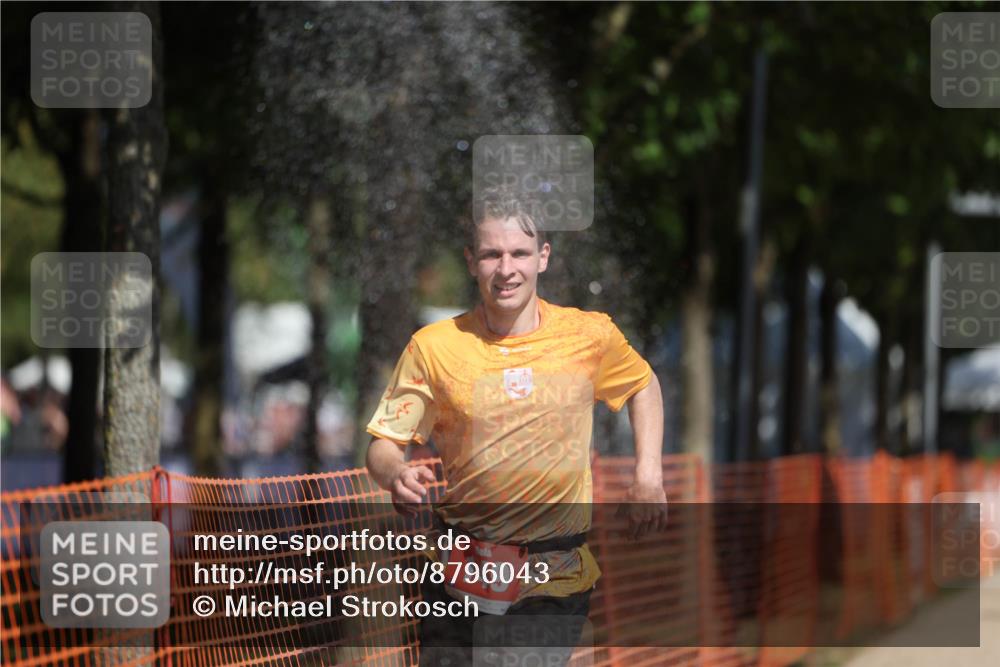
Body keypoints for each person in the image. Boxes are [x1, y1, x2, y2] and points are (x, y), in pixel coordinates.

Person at [365, 186, 667, 666]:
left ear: (543, 256)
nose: (506, 269)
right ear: (471, 261)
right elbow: (384, 443)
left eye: (519, 254)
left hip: (553, 572)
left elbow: (643, 385)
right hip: (459, 570)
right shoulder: (434, 347)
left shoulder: (588, 335)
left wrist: (648, 474)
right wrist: (394, 474)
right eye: (491, 255)